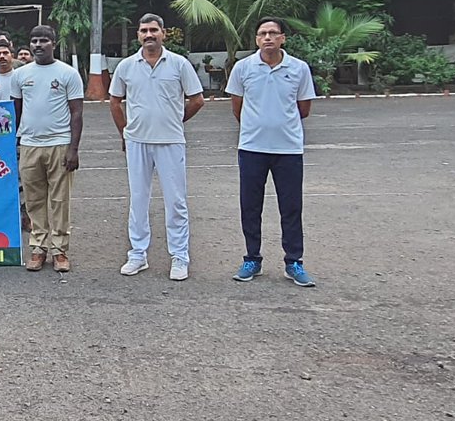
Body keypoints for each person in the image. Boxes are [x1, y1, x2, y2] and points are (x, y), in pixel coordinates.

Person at [108, 14, 205, 281]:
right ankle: (138, 254)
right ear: (137, 35)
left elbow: (197, 100)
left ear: (164, 33)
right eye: (143, 31)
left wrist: (176, 119)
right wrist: (125, 133)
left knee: (176, 201)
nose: (148, 34)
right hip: (137, 141)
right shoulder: (127, 66)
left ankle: (180, 256)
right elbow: (115, 102)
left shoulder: (179, 64)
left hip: (171, 141)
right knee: (138, 199)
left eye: (153, 30)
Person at [225, 17, 320, 287]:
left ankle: (294, 262)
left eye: (273, 33)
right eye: (262, 34)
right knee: (250, 206)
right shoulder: (243, 68)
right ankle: (252, 258)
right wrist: (257, 127)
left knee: (291, 207)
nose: (267, 37)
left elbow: (303, 109)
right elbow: (237, 107)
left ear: (283, 38)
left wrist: (280, 125)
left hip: (288, 149)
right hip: (252, 148)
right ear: (256, 40)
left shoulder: (299, 69)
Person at [12, 24, 83, 273]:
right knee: (33, 200)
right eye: (34, 41)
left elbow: (76, 112)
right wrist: (14, 141)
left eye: (43, 40)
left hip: (59, 144)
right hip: (30, 145)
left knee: (60, 200)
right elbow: (16, 112)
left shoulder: (67, 73)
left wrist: (73, 149)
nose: (38, 45)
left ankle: (60, 250)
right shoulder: (20, 74)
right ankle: (39, 248)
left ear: (53, 43)